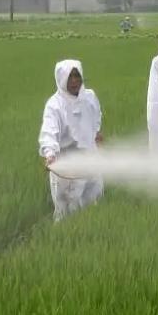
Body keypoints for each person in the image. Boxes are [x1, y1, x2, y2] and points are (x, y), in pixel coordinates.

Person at [38, 60, 104, 222]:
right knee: (67, 212)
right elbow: (49, 131)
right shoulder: (55, 105)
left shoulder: (89, 97)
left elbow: (96, 117)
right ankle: (65, 239)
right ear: (61, 79)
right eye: (70, 77)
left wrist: (96, 133)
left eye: (77, 76)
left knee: (93, 204)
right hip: (67, 166)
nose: (74, 81)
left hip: (90, 159)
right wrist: (50, 153)